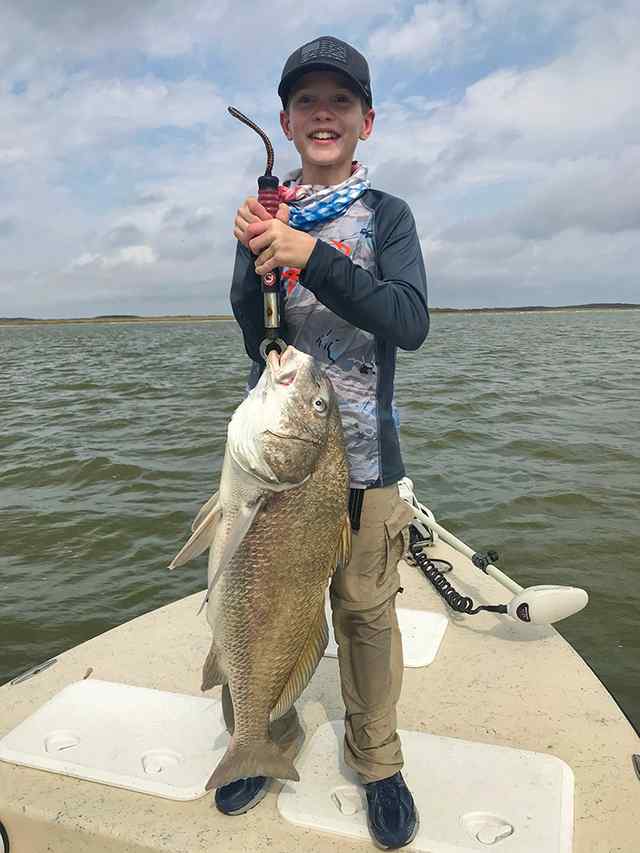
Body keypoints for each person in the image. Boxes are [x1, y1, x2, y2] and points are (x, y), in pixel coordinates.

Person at [220, 35, 429, 850]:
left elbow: (408, 320)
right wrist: (255, 262)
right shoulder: (267, 215)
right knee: (264, 605)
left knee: (367, 617)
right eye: (307, 101)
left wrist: (312, 257)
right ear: (285, 121)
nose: (323, 114)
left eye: (341, 101)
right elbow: (255, 337)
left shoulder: (387, 217)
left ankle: (378, 760)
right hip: (279, 462)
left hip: (367, 467)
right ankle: (258, 735)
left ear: (366, 120)